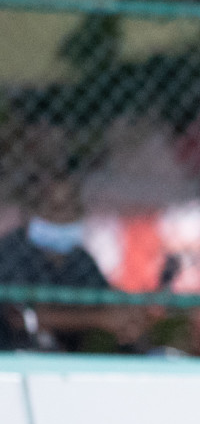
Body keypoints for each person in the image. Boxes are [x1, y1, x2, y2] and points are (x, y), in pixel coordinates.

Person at [0, 145, 148, 351]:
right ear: (30, 212)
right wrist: (99, 319)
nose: (64, 218)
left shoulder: (79, 259)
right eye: (55, 209)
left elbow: (105, 299)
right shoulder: (10, 252)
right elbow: (20, 317)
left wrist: (127, 316)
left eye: (72, 209)